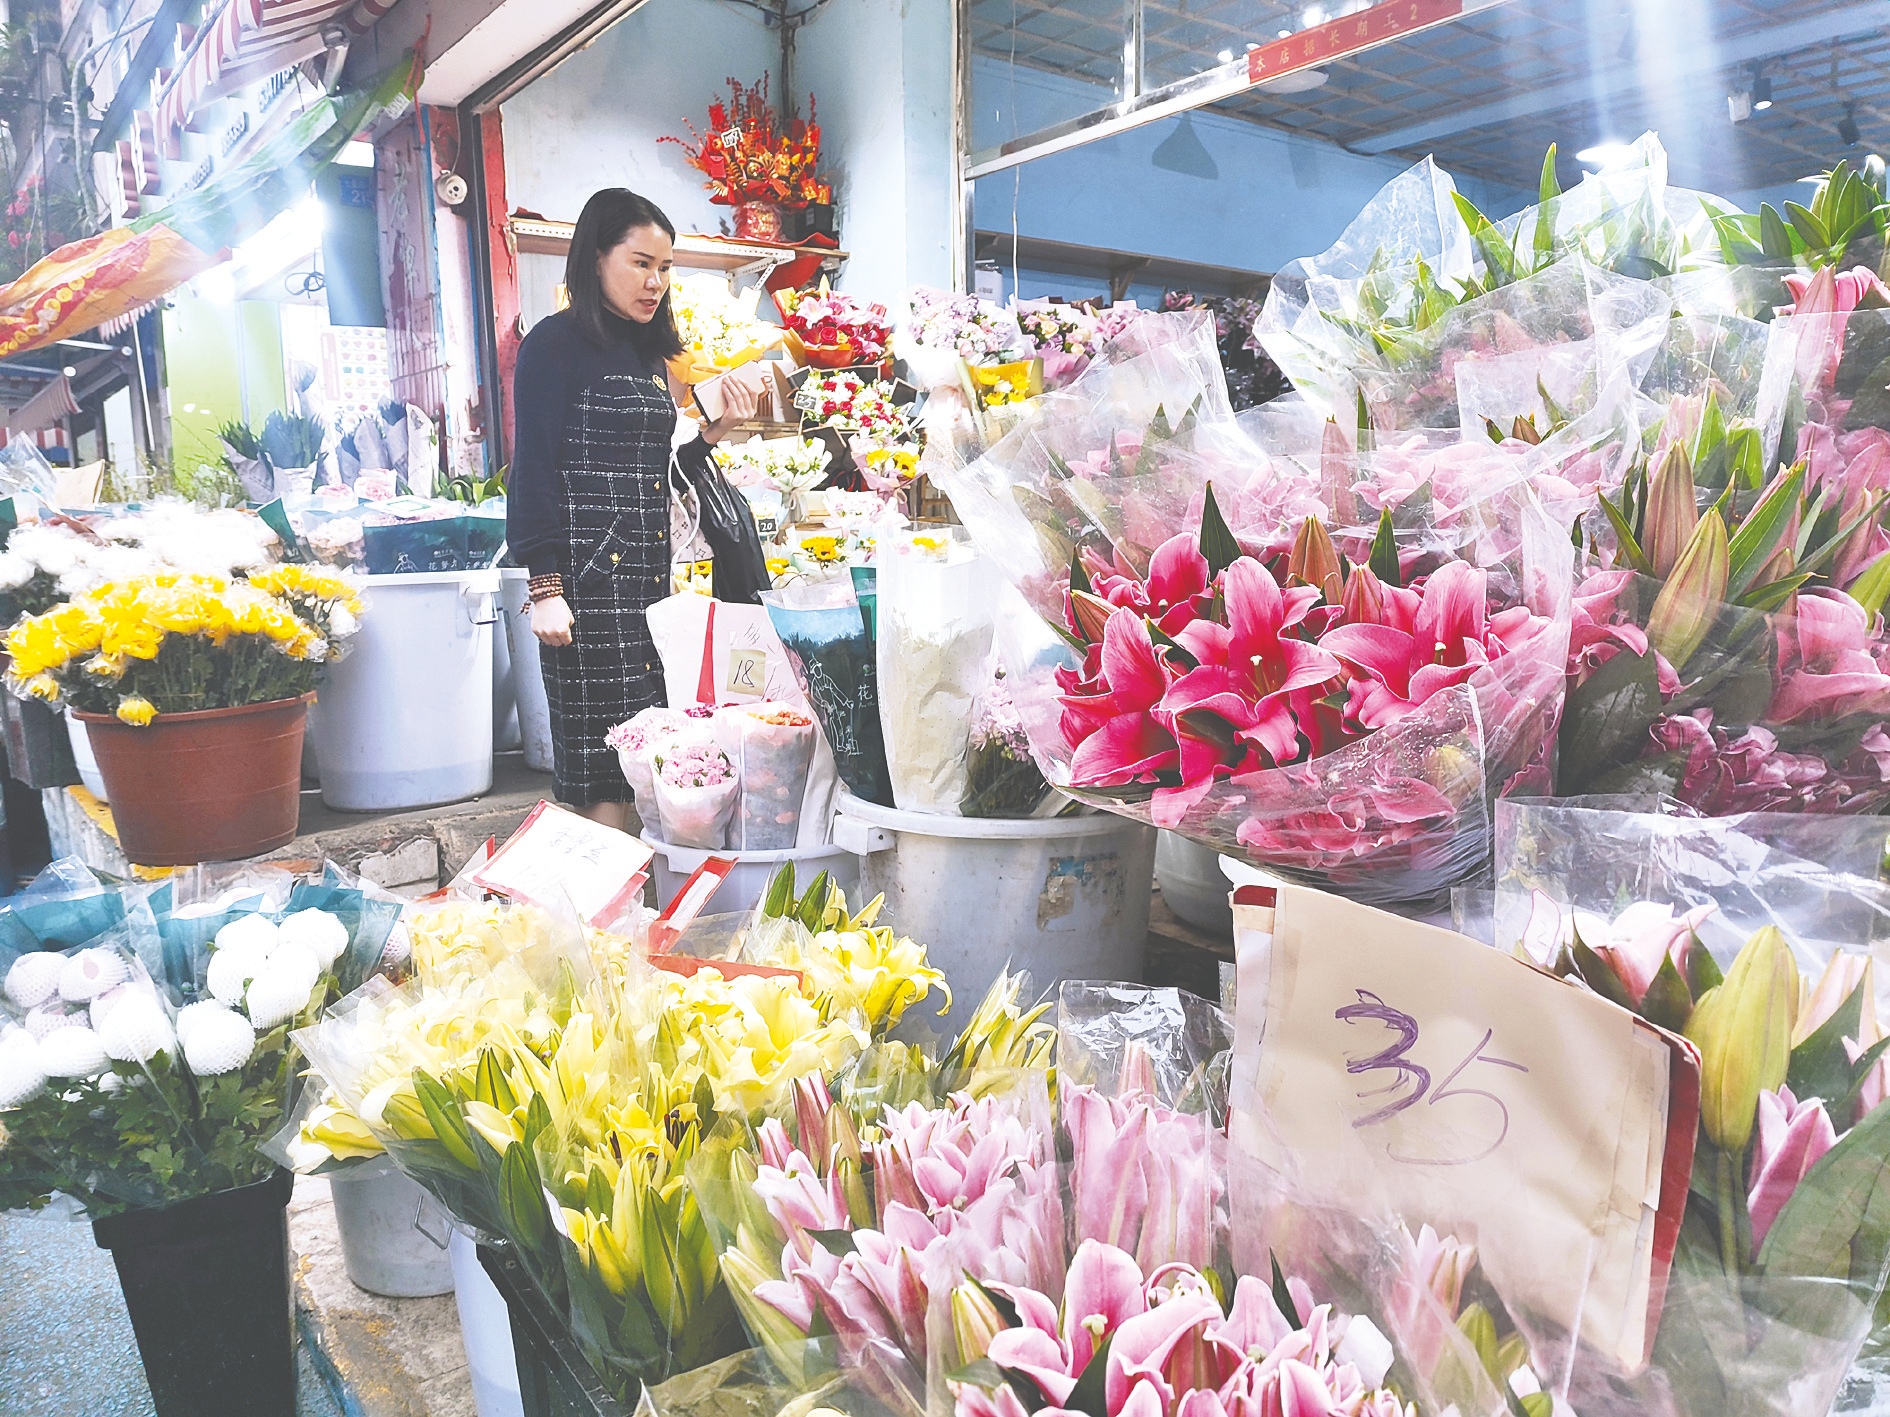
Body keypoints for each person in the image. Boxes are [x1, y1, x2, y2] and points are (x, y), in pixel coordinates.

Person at [507, 188, 758, 829]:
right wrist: (544, 586)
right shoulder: (553, 344)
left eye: (665, 267)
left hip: (647, 588)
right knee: (600, 775)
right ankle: (603, 922)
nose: (656, 282)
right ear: (596, 258)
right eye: (641, 263)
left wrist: (711, 435)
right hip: (584, 591)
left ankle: (633, 913)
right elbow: (532, 468)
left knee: (643, 763)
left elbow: (659, 473)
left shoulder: (647, 352)